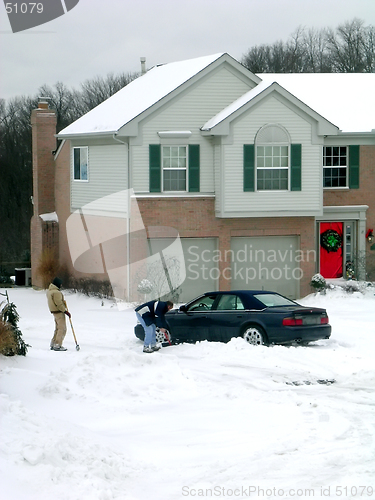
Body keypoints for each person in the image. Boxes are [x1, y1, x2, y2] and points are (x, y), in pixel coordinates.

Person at [47, 277, 71, 351]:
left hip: (54, 312)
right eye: (60, 284)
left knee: (57, 328)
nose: (61, 285)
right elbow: (59, 304)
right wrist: (65, 311)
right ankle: (58, 345)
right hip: (59, 312)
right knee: (62, 329)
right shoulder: (56, 292)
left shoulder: (50, 291)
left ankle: (53, 343)